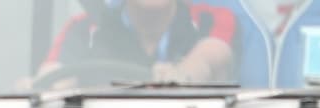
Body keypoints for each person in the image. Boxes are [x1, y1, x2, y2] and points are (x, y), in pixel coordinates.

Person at [38, 0, 239, 85]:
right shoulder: (83, 29)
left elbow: (211, 55)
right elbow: (52, 76)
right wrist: (39, 88)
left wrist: (183, 74)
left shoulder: (210, 20)